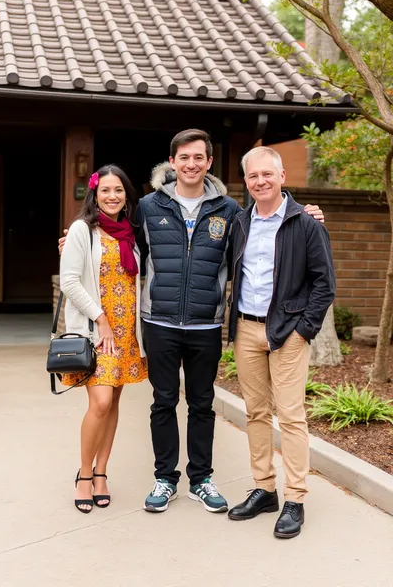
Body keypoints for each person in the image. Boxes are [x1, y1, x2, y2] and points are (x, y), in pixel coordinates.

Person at [59, 130, 324, 515]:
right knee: (163, 403)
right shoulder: (149, 206)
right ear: (172, 162)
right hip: (160, 322)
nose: (191, 164)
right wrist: (75, 238)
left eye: (198, 157)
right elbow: (115, 236)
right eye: (183, 157)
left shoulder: (231, 211)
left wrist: (309, 215)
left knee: (202, 404)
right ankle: (165, 478)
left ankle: (201, 479)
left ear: (209, 162)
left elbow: (263, 240)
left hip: (205, 324)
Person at [227, 146, 335, 538]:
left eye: (267, 174)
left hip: (287, 331)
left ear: (282, 176)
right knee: (255, 413)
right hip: (247, 329)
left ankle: (295, 498)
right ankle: (264, 489)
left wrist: (303, 328)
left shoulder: (305, 223)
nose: (260, 181)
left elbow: (325, 284)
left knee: (290, 416)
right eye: (253, 176)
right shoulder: (240, 222)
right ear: (247, 181)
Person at [59, 164, 147, 514]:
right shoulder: (82, 230)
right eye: (106, 190)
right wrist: (101, 321)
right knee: (99, 403)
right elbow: (69, 282)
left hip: (128, 333)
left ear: (127, 197)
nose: (112, 197)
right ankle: (83, 475)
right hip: (99, 332)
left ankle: (101, 473)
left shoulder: (131, 232)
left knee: (113, 404)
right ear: (95, 194)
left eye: (119, 191)